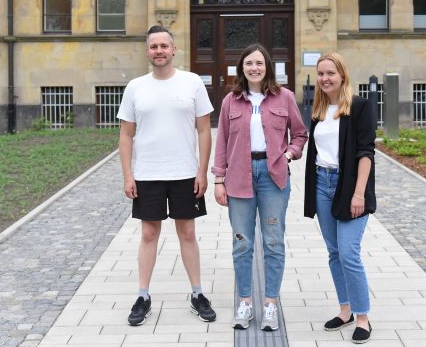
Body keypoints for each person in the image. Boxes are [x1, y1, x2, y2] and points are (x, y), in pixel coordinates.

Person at [117, 25, 217, 326]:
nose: (159, 51)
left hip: (185, 172)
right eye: (153, 46)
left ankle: (197, 293)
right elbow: (125, 135)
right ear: (147, 52)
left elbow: (204, 129)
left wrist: (202, 171)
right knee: (149, 234)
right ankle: (143, 296)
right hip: (148, 173)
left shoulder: (191, 83)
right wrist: (127, 175)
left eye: (164, 46)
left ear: (174, 50)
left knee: (187, 233)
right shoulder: (135, 87)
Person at [211, 44, 307, 332]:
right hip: (238, 177)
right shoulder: (231, 101)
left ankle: (269, 304)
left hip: (273, 177)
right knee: (242, 244)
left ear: (267, 67)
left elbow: (300, 134)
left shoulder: (284, 97)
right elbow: (222, 142)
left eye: (259, 63)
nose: (254, 68)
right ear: (242, 67)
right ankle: (244, 302)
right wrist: (218, 179)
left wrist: (289, 154)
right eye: (249, 63)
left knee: (273, 241)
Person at [303, 52, 376, 344]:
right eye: (321, 73)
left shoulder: (359, 107)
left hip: (350, 188)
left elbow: (365, 153)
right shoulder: (319, 109)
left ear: (342, 75)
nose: (324, 78)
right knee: (334, 252)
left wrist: (359, 193)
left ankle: (363, 317)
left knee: (349, 253)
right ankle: (344, 310)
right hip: (322, 183)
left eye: (330, 73)